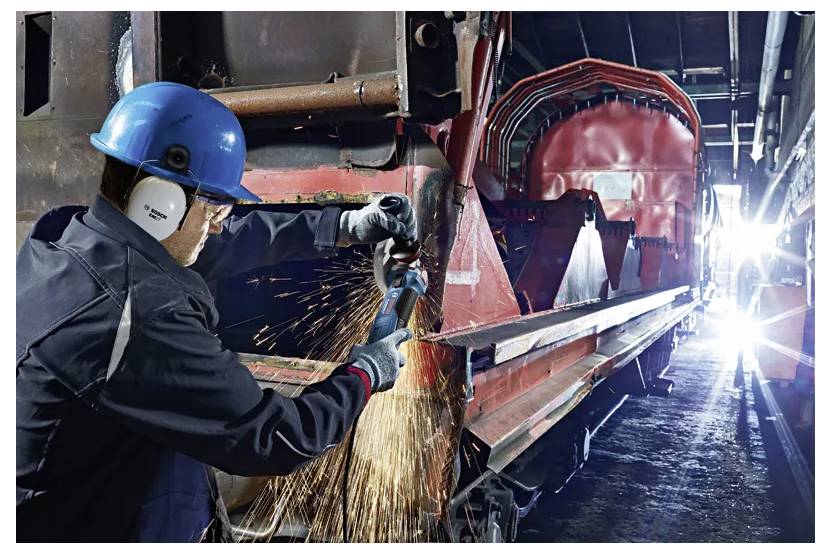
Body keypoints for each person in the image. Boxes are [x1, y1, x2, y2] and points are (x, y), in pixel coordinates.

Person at [16, 82, 416, 542]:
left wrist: (344, 225)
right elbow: (273, 438)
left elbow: (216, 243)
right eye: (215, 207)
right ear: (159, 204)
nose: (219, 224)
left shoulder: (73, 240)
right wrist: (365, 373)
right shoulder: (138, 318)